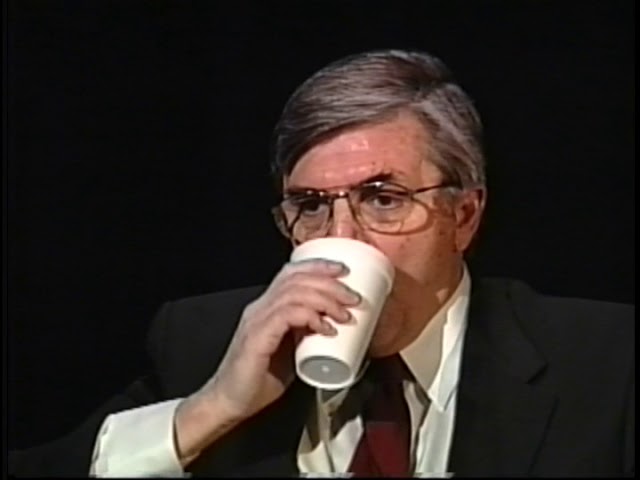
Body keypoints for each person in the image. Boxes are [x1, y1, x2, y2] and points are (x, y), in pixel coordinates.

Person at [8, 49, 634, 478]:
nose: (342, 237)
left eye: (383, 200)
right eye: (310, 206)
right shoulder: (205, 339)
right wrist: (213, 407)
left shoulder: (606, 360)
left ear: (464, 216)